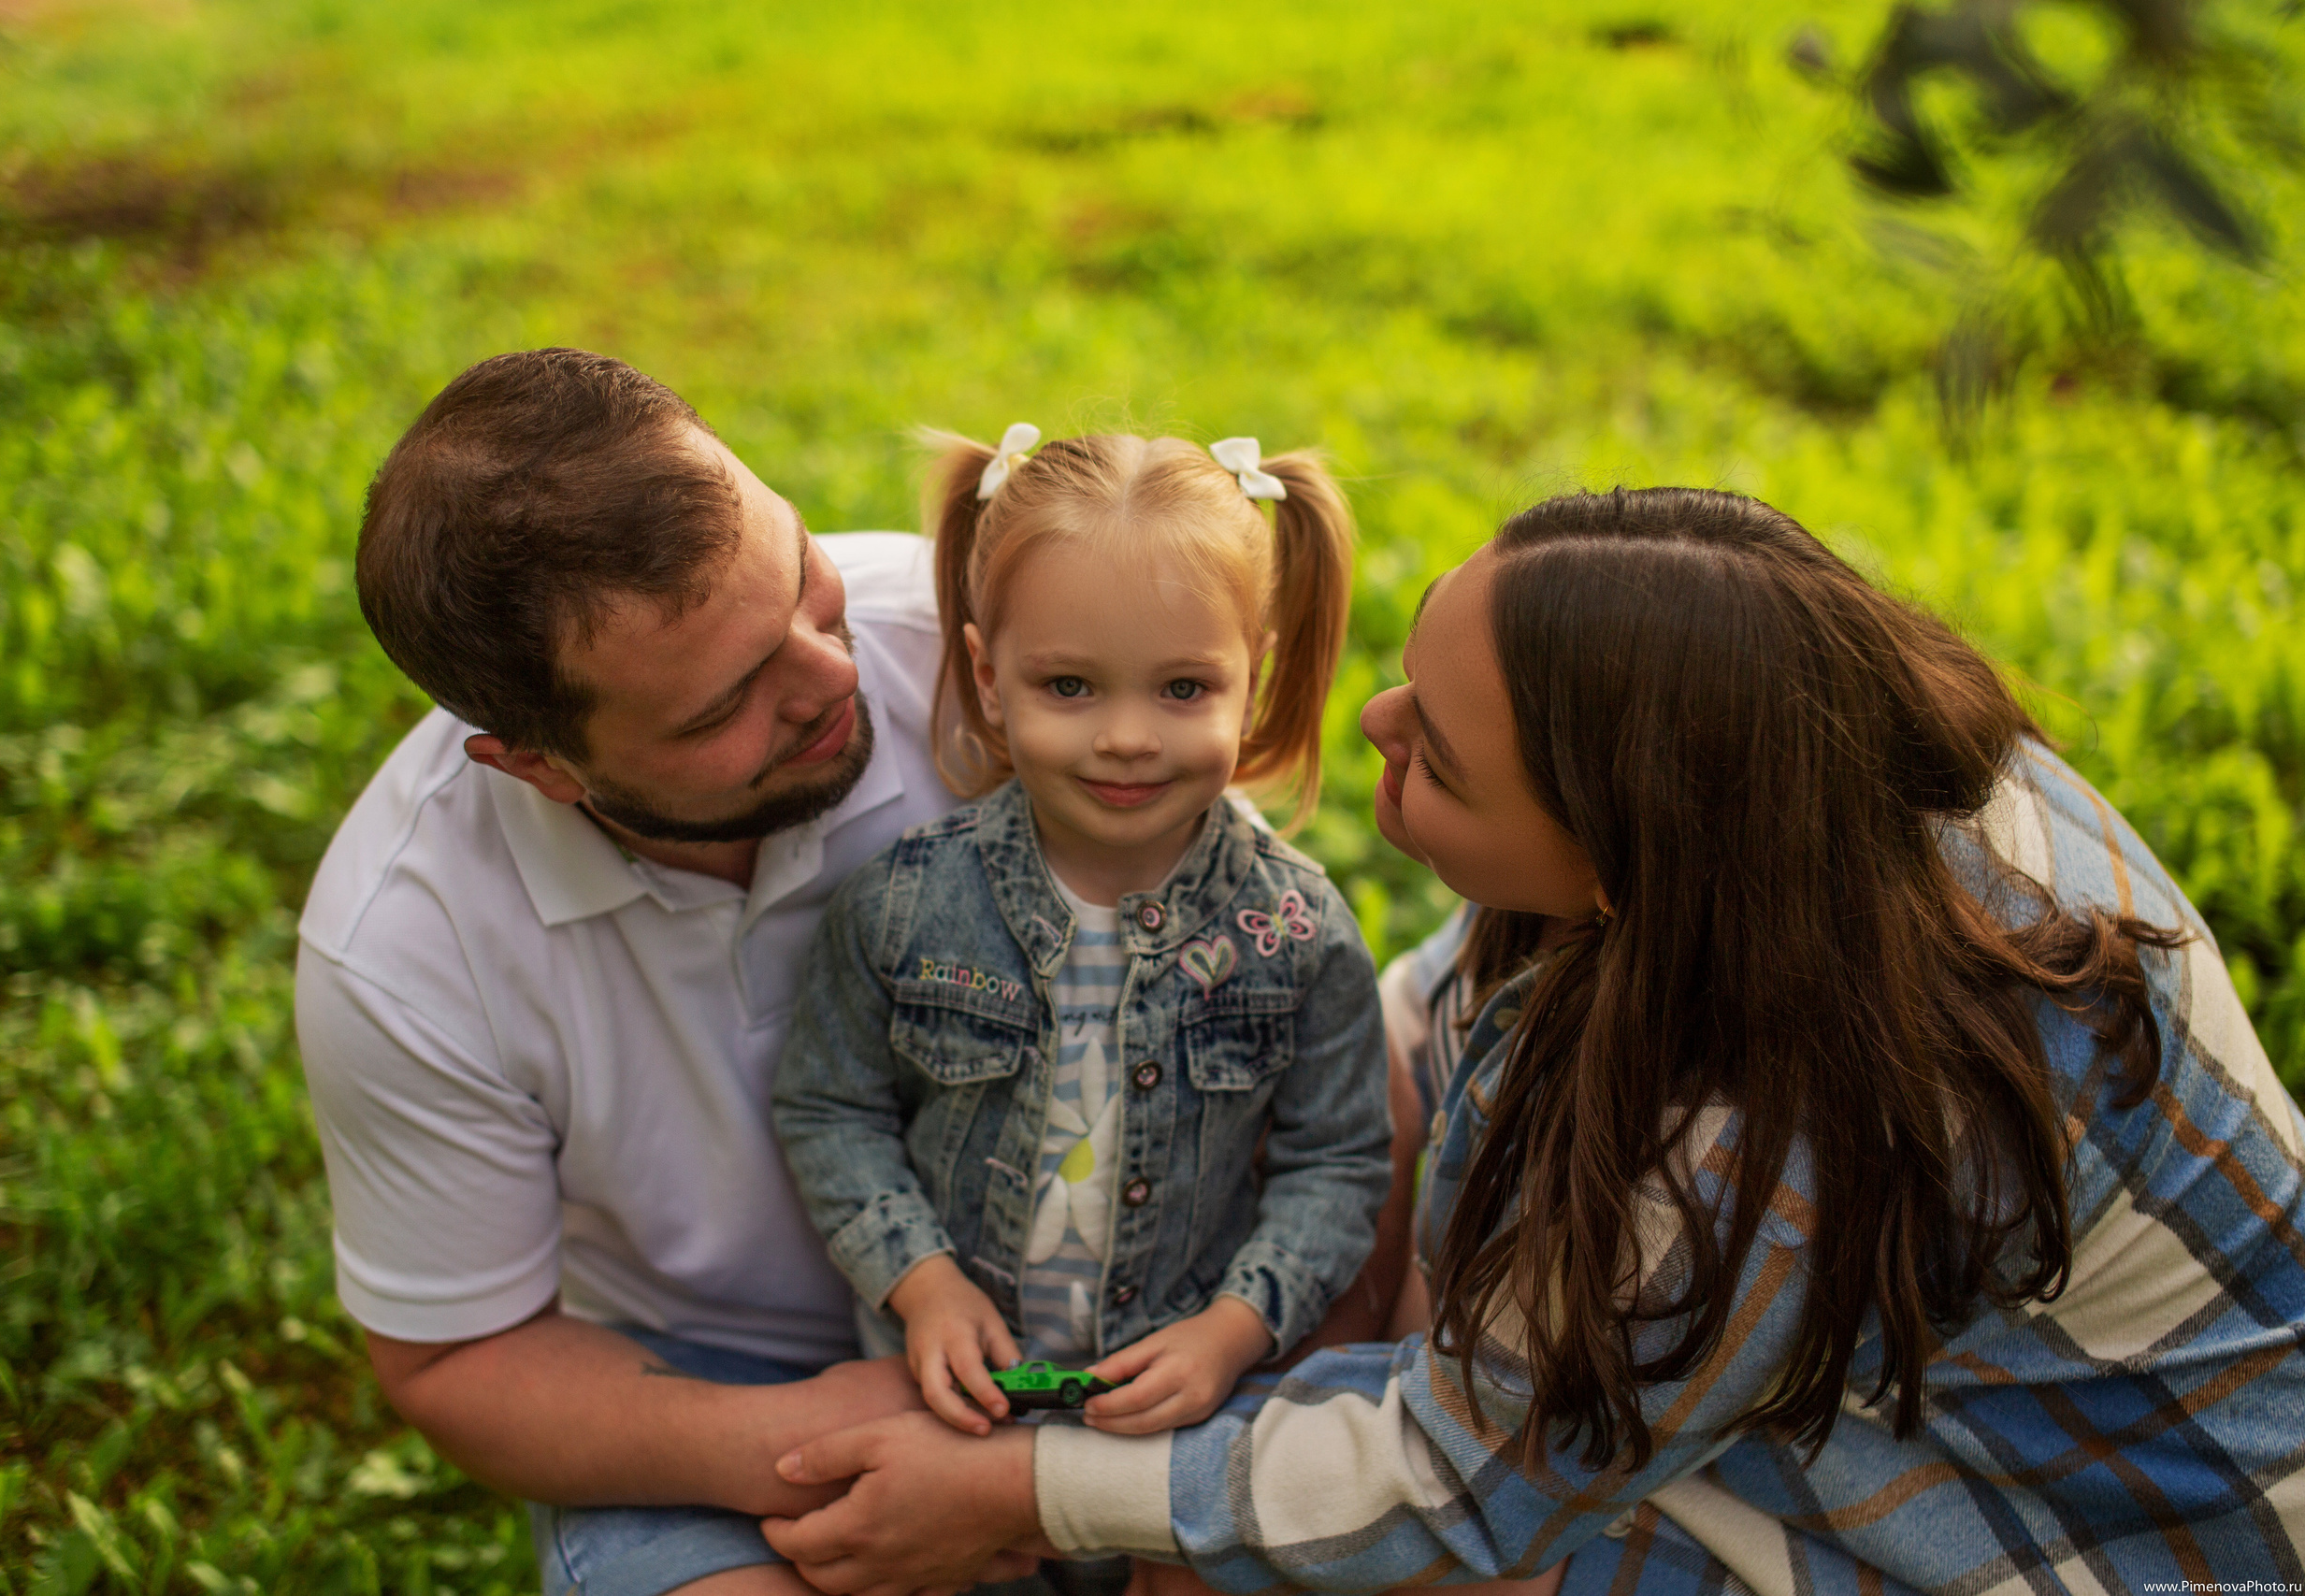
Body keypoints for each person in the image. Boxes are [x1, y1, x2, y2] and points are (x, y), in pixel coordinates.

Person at [757, 487, 2305, 1594]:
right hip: (1884, 1373)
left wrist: (1038, 1487)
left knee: (1286, 1568)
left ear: (1621, 862)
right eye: (1412, 675)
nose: (1366, 720)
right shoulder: (1806, 762)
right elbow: (1431, 1026)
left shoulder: (1778, 1118)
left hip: (2074, 1512)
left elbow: (1459, 1478)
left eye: (1433, 751)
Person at [294, 348, 964, 1596]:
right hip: (712, 1381)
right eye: (724, 707)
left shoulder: (989, 647)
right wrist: (804, 1442)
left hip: (1103, 1296)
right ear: (538, 766)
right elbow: (458, 1357)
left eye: (806, 582)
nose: (833, 675)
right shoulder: (404, 944)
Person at [770, 424, 1390, 1460]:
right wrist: (920, 1284)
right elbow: (829, 1107)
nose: (1128, 737)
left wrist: (1234, 1332)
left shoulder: (1293, 932)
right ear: (986, 673)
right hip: (948, 1402)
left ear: (1255, 679)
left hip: (1177, 1419)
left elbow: (1336, 1162)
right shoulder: (906, 904)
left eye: (1183, 688)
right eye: (1070, 686)